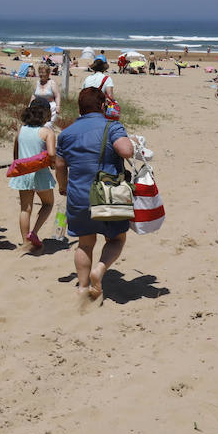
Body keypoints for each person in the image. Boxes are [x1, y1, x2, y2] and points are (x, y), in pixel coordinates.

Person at [55, 87, 135, 303]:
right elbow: (127, 151)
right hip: (108, 195)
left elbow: (60, 166)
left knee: (85, 243)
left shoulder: (66, 133)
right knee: (117, 238)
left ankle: (82, 288)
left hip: (78, 195)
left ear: (80, 108)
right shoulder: (112, 126)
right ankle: (99, 270)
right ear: (102, 106)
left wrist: (63, 187)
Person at [10, 102, 57, 253]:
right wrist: (54, 165)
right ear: (45, 114)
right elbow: (51, 154)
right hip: (40, 173)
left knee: (25, 208)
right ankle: (34, 232)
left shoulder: (21, 129)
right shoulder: (47, 132)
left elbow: (16, 153)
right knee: (48, 204)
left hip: (23, 173)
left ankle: (25, 242)